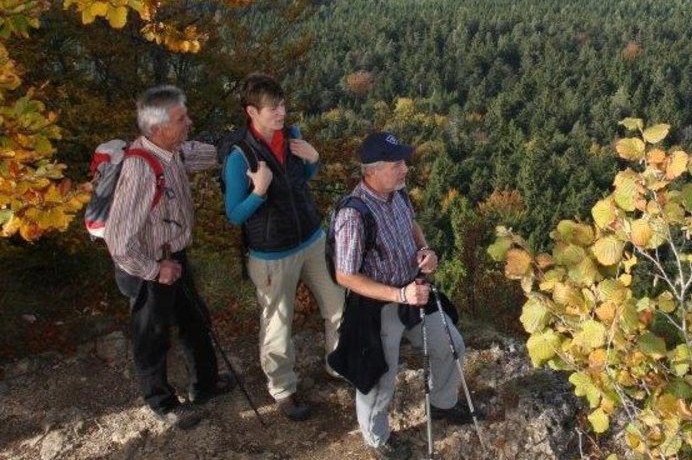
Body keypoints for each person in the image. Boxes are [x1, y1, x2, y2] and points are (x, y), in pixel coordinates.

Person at [328, 131, 472, 460]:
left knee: (451, 346)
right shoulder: (353, 214)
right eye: (397, 164)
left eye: (404, 161)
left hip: (415, 290)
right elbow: (345, 275)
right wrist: (400, 294)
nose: (405, 168)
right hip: (377, 306)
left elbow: (411, 226)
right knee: (379, 378)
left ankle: (442, 403)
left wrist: (425, 250)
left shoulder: (398, 193)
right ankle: (377, 440)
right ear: (372, 171)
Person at [106, 85, 231, 430]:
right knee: (153, 333)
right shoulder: (139, 171)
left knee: (194, 320)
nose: (189, 122)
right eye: (181, 118)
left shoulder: (170, 150)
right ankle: (161, 402)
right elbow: (118, 241)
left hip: (172, 254)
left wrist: (228, 151)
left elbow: (191, 153)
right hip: (147, 265)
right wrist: (154, 269)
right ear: (158, 129)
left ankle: (205, 385)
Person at [221, 73, 345, 421]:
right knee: (278, 324)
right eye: (273, 108)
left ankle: (338, 365)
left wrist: (314, 159)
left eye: (283, 105)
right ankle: (283, 390)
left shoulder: (292, 137)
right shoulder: (239, 157)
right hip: (272, 254)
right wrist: (258, 192)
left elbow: (300, 181)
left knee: (337, 304)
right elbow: (234, 215)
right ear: (252, 112)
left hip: (311, 240)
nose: (281, 113)